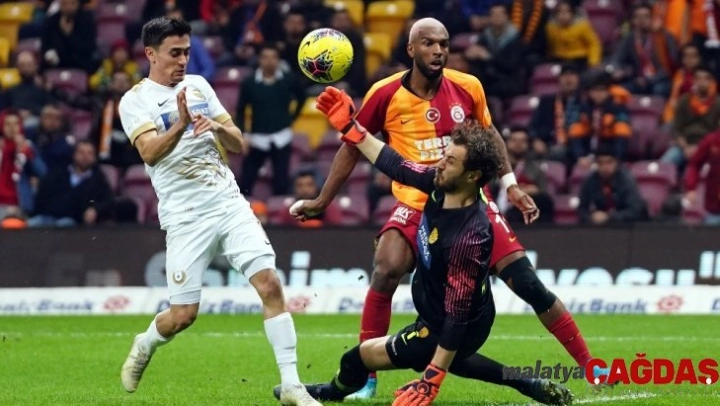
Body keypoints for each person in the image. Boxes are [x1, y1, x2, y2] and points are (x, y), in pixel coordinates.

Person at [290, 18, 606, 399]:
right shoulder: (384, 94)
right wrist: (322, 200)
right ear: (410, 49)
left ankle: (591, 366)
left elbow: (489, 136)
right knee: (386, 269)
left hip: (467, 204)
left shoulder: (468, 86)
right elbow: (357, 148)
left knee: (528, 284)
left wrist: (510, 183)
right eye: (428, 43)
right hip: (416, 200)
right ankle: (368, 380)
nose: (438, 50)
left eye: (444, 43)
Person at [276, 93, 573, 406]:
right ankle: (528, 383)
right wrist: (352, 129)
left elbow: (455, 321)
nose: (440, 163)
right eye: (445, 156)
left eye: (450, 161)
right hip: (452, 316)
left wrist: (430, 381)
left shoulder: (469, 237)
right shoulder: (440, 184)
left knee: (355, 359)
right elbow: (395, 163)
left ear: (472, 176)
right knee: (450, 357)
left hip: (449, 325)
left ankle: (332, 392)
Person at [117, 17, 320, 406]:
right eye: (174, 53)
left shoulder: (200, 86)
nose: (183, 60)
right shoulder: (134, 101)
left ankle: (292, 386)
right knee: (183, 315)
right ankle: (146, 343)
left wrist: (217, 128)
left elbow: (239, 143)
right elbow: (150, 153)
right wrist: (181, 124)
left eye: (187, 52)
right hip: (185, 216)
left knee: (270, 285)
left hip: (228, 203)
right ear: (150, 54)